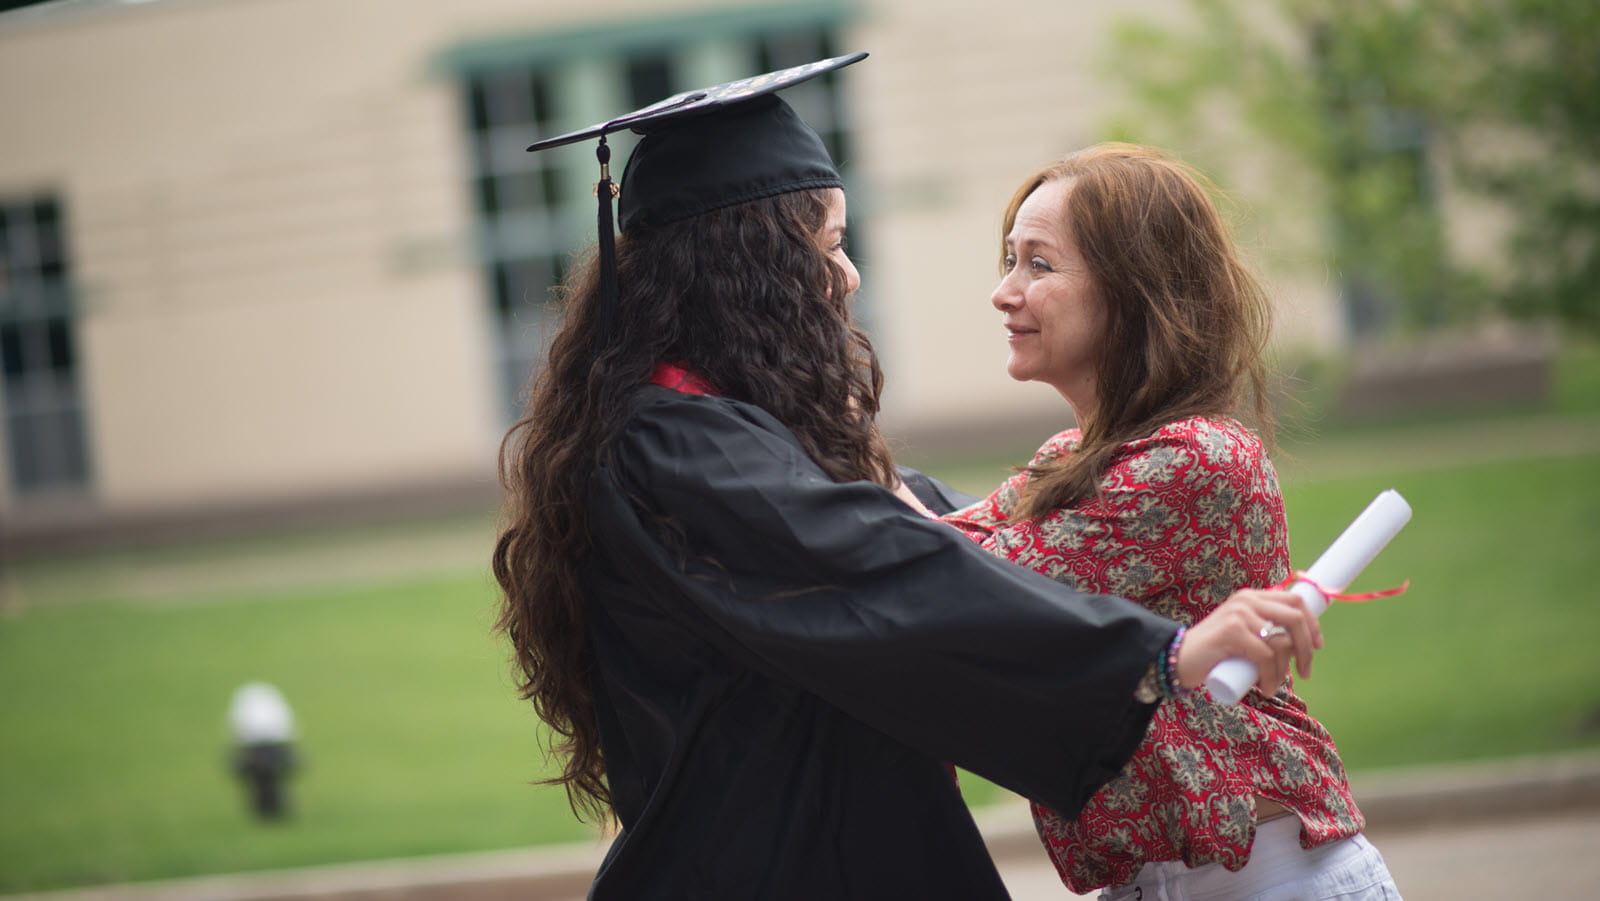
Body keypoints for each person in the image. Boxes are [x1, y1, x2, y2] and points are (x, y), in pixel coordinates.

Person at [493, 57, 1319, 900]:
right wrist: (1155, 650)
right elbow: (869, 560)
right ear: (749, 267)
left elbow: (919, 521)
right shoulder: (671, 445)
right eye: (830, 245)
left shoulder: (713, 432)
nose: (848, 276)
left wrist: (1104, 545)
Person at [942, 143, 1400, 899]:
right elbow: (932, 554)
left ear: (1131, 290)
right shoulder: (1070, 457)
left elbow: (963, 587)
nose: (1004, 291)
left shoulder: (1196, 459)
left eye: (1038, 265)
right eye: (1008, 260)